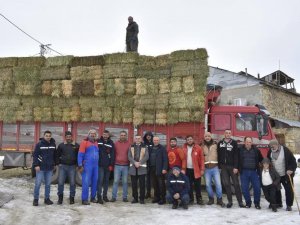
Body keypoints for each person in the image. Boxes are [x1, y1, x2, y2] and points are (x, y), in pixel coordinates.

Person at [217, 129, 245, 208]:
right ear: (224, 134)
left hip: (232, 167)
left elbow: (236, 155)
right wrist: (219, 166)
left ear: (231, 134)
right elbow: (218, 155)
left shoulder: (234, 143)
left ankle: (240, 202)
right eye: (226, 133)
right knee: (227, 184)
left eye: (229, 133)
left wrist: (236, 167)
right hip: (223, 167)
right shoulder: (220, 143)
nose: (228, 134)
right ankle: (230, 202)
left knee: (236, 184)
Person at [267, 139, 297, 211]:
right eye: (271, 146)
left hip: (285, 175)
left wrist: (291, 169)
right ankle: (278, 203)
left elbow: (293, 161)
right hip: (276, 176)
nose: (272, 147)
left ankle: (289, 205)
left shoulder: (285, 150)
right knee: (276, 189)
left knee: (289, 190)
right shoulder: (270, 151)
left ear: (277, 144)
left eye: (273, 146)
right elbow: (268, 161)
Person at [32, 130, 56, 206]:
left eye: (49, 136)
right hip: (40, 168)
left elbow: (54, 155)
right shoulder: (39, 144)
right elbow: (35, 155)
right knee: (38, 184)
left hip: (49, 168)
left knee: (48, 184)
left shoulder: (53, 144)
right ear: (44, 136)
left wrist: (54, 164)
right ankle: (36, 199)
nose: (48, 137)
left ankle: (47, 199)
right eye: (46, 136)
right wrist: (36, 165)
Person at [239, 136, 263, 209]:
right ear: (244, 142)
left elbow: (261, 159)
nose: (248, 143)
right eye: (247, 142)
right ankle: (248, 203)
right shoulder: (240, 150)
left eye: (250, 142)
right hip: (244, 172)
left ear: (252, 143)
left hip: (254, 172)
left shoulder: (256, 150)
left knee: (257, 188)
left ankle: (257, 203)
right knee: (244, 188)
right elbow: (237, 159)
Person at [202, 132, 225, 207]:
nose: (207, 137)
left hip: (215, 167)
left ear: (211, 137)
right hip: (206, 168)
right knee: (208, 185)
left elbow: (220, 154)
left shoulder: (216, 144)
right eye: (206, 136)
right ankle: (211, 199)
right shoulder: (201, 145)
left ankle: (219, 199)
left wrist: (220, 165)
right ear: (204, 137)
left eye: (209, 136)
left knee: (218, 184)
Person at [56, 131, 79, 205]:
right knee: (60, 183)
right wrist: (58, 163)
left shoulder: (76, 145)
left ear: (72, 137)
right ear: (65, 137)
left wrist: (78, 165)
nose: (68, 138)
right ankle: (60, 198)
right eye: (67, 137)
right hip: (63, 167)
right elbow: (57, 155)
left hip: (72, 167)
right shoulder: (61, 145)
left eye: (70, 137)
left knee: (72, 183)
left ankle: (72, 198)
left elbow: (79, 156)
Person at [78, 129, 99, 205]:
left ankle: (93, 197)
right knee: (86, 182)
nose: (93, 135)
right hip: (87, 165)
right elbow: (80, 154)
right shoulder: (84, 142)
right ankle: (84, 199)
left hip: (95, 166)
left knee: (95, 181)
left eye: (94, 134)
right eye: (91, 133)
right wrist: (80, 165)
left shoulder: (96, 143)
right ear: (88, 134)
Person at [182, 135, 205, 205]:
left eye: (191, 139)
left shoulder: (198, 148)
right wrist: (182, 169)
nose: (189, 140)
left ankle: (199, 199)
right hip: (187, 170)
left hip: (196, 170)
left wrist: (202, 169)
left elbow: (202, 159)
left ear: (193, 140)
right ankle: (191, 199)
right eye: (188, 139)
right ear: (186, 141)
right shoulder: (183, 148)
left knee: (197, 186)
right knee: (189, 186)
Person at [111, 130, 131, 202]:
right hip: (117, 165)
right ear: (119, 136)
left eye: (124, 135)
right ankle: (113, 197)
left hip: (126, 166)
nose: (123, 136)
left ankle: (125, 197)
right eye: (121, 135)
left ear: (126, 136)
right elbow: (113, 154)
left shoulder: (129, 144)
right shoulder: (115, 144)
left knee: (125, 182)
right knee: (116, 181)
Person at [128, 135, 149, 204]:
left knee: (142, 184)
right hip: (133, 168)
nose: (137, 139)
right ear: (134, 139)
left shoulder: (145, 147)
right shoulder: (131, 146)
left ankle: (142, 199)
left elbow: (146, 156)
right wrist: (134, 163)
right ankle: (135, 198)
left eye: (139, 138)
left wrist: (139, 163)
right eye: (136, 138)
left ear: (141, 139)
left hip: (142, 167)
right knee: (134, 184)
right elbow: (129, 156)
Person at [97, 130, 115, 204]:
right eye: (104, 134)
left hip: (107, 166)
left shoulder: (111, 143)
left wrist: (111, 164)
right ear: (102, 134)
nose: (105, 136)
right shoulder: (98, 141)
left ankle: (105, 196)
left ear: (108, 135)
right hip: (100, 165)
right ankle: (99, 197)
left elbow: (113, 154)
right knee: (100, 181)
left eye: (106, 135)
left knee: (106, 182)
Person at [149, 136, 168, 205]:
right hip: (152, 168)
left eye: (157, 140)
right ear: (153, 141)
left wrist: (164, 168)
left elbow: (165, 159)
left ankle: (163, 198)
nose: (155, 141)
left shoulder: (162, 148)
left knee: (161, 185)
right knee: (155, 184)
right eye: (154, 140)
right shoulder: (150, 148)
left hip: (160, 169)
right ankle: (156, 197)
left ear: (159, 141)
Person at [143, 131, 154, 199]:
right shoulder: (144, 144)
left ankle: (155, 193)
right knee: (147, 180)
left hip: (153, 164)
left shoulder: (154, 143)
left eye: (150, 135)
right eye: (147, 135)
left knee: (153, 179)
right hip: (146, 164)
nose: (148, 136)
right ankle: (148, 193)